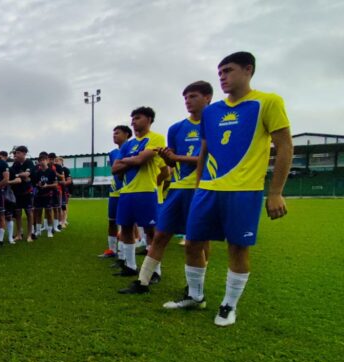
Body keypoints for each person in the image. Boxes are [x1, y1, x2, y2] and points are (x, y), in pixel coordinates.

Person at [180, 51, 293, 326]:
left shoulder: (268, 102)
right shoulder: (212, 112)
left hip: (244, 190)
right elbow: (205, 152)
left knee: (238, 248)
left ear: (248, 70)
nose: (222, 77)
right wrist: (197, 188)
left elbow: (285, 146)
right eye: (219, 73)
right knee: (193, 243)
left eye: (228, 71)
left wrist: (275, 192)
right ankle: (195, 297)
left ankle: (229, 306)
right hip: (207, 189)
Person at [120, 81, 213, 294]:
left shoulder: (214, 125)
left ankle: (196, 286)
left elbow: (209, 157)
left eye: (194, 96)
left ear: (208, 97)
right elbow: (171, 164)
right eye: (186, 97)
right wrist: (168, 158)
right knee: (160, 235)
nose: (188, 101)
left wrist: (176, 157)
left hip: (203, 188)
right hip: (177, 188)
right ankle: (142, 281)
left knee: (199, 239)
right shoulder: (177, 128)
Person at [110, 107, 168, 277]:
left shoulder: (156, 137)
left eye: (137, 118)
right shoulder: (128, 144)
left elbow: (143, 159)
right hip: (127, 192)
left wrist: (127, 161)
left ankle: (154, 271)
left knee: (151, 231)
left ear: (149, 119)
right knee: (126, 228)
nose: (133, 122)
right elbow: (115, 168)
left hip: (147, 192)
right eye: (132, 119)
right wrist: (133, 160)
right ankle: (130, 266)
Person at [99, 126, 132, 257]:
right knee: (111, 220)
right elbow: (116, 171)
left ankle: (123, 252)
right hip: (114, 190)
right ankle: (111, 249)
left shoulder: (132, 148)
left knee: (126, 223)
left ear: (127, 134)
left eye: (117, 133)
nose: (114, 136)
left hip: (127, 190)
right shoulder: (112, 153)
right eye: (113, 133)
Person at [8, 146, 35, 242]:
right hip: (17, 193)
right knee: (18, 214)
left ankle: (29, 235)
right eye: (16, 153)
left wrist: (18, 175)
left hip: (27, 192)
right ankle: (19, 234)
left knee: (29, 213)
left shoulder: (29, 162)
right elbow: (12, 175)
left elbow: (26, 175)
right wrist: (20, 176)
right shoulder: (15, 164)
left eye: (18, 153)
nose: (16, 154)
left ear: (24, 153)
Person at [32, 151, 57, 238]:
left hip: (48, 195)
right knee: (38, 213)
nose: (42, 162)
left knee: (49, 213)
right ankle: (38, 231)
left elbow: (55, 184)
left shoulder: (51, 172)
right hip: (39, 195)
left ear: (47, 160)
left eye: (43, 160)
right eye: (40, 160)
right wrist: (38, 184)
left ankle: (49, 231)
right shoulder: (37, 172)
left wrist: (47, 185)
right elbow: (35, 183)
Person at [0, 150, 17, 244]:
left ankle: (10, 238)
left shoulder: (10, 169)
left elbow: (18, 180)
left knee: (9, 217)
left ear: (5, 158)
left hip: (7, 196)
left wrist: (7, 182)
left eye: (1, 157)